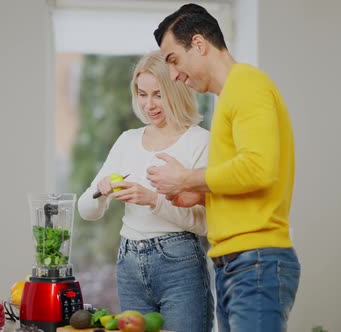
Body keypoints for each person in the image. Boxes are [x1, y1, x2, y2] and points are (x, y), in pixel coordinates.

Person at [147, 3, 301, 332]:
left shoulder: (247, 85)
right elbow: (246, 181)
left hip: (254, 261)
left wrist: (184, 178)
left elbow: (259, 169)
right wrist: (200, 195)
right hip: (237, 264)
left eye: (174, 60)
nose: (173, 75)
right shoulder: (231, 95)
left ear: (199, 44)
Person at [77, 50, 214, 332]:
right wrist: (100, 192)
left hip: (180, 263)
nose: (149, 105)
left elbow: (205, 222)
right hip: (128, 264)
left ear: (176, 91)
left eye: (158, 94)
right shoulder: (128, 141)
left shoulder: (200, 142)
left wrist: (153, 200)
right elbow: (86, 211)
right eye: (142, 94)